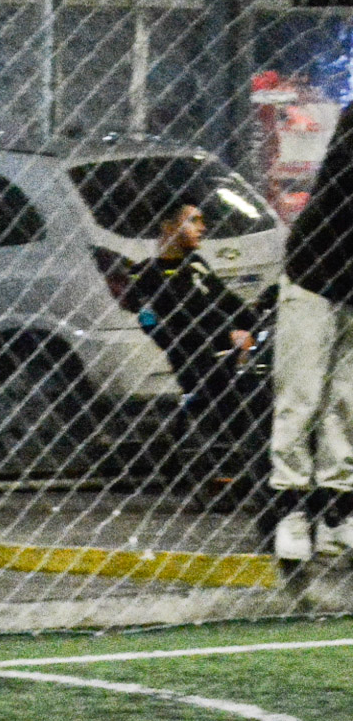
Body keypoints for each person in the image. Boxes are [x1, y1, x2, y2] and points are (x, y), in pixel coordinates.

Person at [121, 199, 266, 487]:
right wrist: (227, 335)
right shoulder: (146, 275)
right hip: (199, 360)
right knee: (242, 387)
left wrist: (256, 320)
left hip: (229, 351)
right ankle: (234, 463)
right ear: (168, 227)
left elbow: (227, 302)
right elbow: (170, 326)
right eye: (193, 221)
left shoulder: (196, 264)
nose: (202, 228)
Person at [268, 101, 353, 561]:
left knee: (347, 402)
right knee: (301, 395)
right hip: (314, 274)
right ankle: (292, 511)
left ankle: (338, 513)